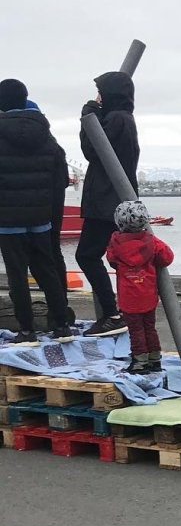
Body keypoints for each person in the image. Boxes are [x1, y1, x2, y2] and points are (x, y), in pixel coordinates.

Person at [0, 78, 73, 346]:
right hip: (42, 217)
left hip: (7, 220)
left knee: (17, 275)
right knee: (48, 269)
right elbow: (60, 176)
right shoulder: (46, 135)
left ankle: (27, 330)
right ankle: (62, 324)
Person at [77, 71, 140, 337]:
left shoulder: (115, 119)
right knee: (114, 257)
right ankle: (123, 312)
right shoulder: (124, 118)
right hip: (114, 199)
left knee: (87, 255)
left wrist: (88, 116)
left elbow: (93, 150)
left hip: (106, 201)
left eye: (101, 93)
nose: (98, 98)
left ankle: (112, 313)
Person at [105, 201, 173, 374]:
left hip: (128, 296)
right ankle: (154, 358)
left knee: (136, 330)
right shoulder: (152, 242)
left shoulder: (116, 243)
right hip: (148, 294)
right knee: (149, 327)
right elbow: (166, 258)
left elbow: (112, 260)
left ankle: (139, 361)